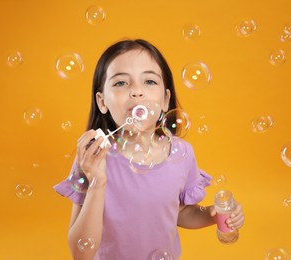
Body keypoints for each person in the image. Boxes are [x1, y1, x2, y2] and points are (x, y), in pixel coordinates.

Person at [54, 39, 245, 260]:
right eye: (121, 83)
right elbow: (81, 252)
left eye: (149, 81)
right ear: (102, 101)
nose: (136, 91)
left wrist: (211, 215)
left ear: (165, 100)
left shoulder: (181, 154)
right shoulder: (93, 159)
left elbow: (180, 212)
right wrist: (97, 180)